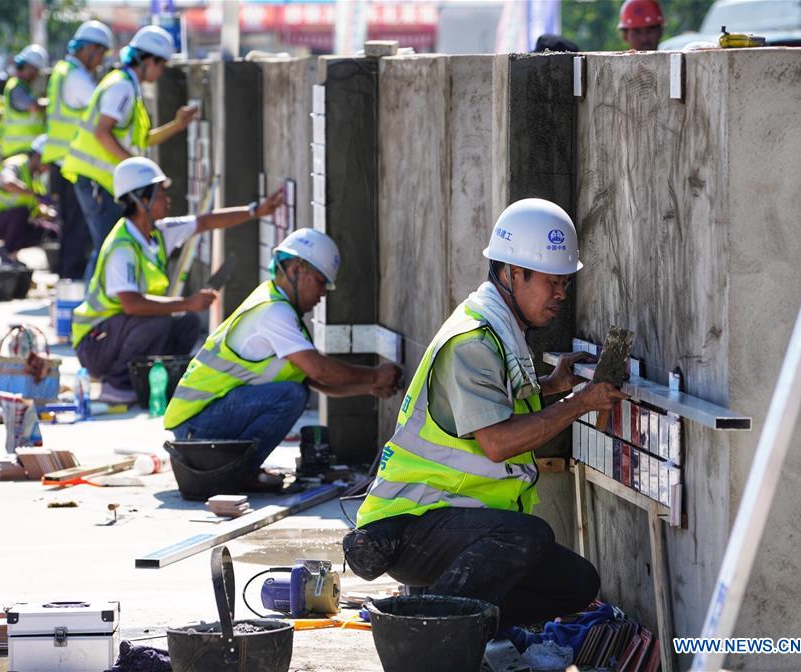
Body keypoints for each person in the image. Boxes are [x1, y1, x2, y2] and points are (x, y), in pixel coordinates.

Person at [343, 199, 628, 630]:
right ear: (513, 274)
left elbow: (496, 403)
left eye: (565, 283)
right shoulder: (472, 340)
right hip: (409, 526)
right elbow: (497, 443)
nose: (561, 295)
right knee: (526, 536)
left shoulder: (499, 329)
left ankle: (449, 614)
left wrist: (555, 385)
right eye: (552, 282)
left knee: (576, 583)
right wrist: (581, 403)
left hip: (451, 522)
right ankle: (427, 628)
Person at [164, 228, 403, 492]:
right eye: (320, 280)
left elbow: (314, 380)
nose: (324, 292)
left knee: (294, 390)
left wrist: (368, 387)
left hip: (199, 424)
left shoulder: (279, 307)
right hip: (196, 428)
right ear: (295, 269)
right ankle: (241, 473)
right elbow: (321, 371)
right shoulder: (274, 311)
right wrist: (375, 375)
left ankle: (242, 469)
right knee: (291, 395)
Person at [71, 157, 285, 405]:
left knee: (187, 323)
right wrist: (187, 302)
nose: (167, 199)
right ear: (142, 200)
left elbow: (204, 222)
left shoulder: (157, 233)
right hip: (95, 343)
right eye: (161, 194)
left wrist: (255, 211)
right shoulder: (123, 247)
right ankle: (118, 385)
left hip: (117, 333)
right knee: (160, 323)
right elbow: (131, 305)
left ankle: (155, 383)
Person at [61, 25, 198, 281]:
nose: (161, 72)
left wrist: (177, 125)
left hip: (102, 181)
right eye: (161, 65)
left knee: (106, 247)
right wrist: (139, 174)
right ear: (148, 60)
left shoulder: (127, 87)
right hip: (97, 181)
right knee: (106, 248)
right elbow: (102, 132)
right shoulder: (121, 87)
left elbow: (141, 140)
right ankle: (93, 315)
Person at [43, 20, 114, 279]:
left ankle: (67, 284)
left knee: (71, 229)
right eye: (101, 54)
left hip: (62, 162)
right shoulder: (75, 76)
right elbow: (101, 107)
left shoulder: (63, 71)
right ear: (90, 49)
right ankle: (70, 285)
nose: (100, 61)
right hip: (71, 164)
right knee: (77, 231)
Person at [0, 133, 55, 264]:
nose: (48, 168)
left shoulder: (35, 178)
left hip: (7, 222)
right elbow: (7, 182)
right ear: (38, 156)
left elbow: (35, 207)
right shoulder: (17, 164)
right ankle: (8, 253)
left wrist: (49, 215)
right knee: (21, 212)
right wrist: (33, 194)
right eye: (48, 163)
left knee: (47, 232)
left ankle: (9, 253)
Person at [0, 44, 48, 157]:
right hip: (17, 150)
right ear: (27, 68)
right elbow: (33, 106)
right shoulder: (16, 88)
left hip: (25, 149)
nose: (37, 75)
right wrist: (53, 103)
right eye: (36, 70)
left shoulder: (24, 87)